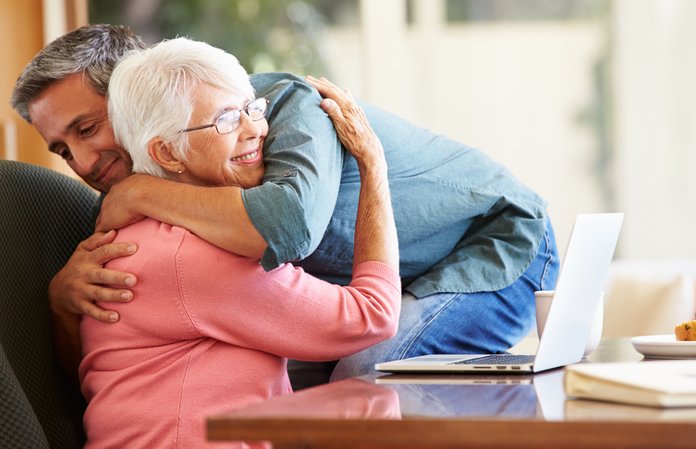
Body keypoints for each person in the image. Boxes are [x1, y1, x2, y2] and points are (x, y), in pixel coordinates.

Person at [11, 24, 560, 389]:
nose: (81, 163)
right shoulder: (147, 207)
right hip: (371, 295)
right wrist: (63, 302)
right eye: (62, 148)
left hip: (496, 246)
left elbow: (287, 227)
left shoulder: (278, 107)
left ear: (139, 92)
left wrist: (139, 191)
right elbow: (102, 367)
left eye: (87, 128)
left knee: (364, 373)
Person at [79, 37, 400, 449]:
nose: (256, 130)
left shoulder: (159, 235)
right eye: (226, 119)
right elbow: (372, 316)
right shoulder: (190, 256)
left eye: (252, 108)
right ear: (167, 153)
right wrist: (374, 166)